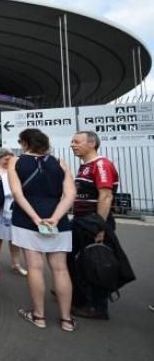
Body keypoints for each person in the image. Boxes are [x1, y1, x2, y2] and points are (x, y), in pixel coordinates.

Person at [8, 128, 76, 332]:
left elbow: (17, 194)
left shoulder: (16, 162)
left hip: (27, 218)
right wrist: (55, 218)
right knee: (61, 268)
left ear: (25, 143)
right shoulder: (59, 162)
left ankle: (39, 316)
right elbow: (70, 194)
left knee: (34, 267)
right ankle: (66, 319)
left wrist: (35, 218)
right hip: (58, 219)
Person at [69, 131, 121, 320]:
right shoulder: (85, 166)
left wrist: (100, 227)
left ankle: (97, 307)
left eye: (76, 142)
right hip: (81, 220)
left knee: (96, 262)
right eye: (72, 142)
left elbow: (106, 196)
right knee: (74, 258)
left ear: (92, 143)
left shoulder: (101, 164)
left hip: (93, 221)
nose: (72, 145)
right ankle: (77, 294)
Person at [0, 148, 27, 276]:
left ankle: (16, 263)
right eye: (5, 159)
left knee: (14, 238)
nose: (8, 162)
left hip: (13, 207)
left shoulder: (16, 171)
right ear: (0, 159)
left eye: (10, 159)